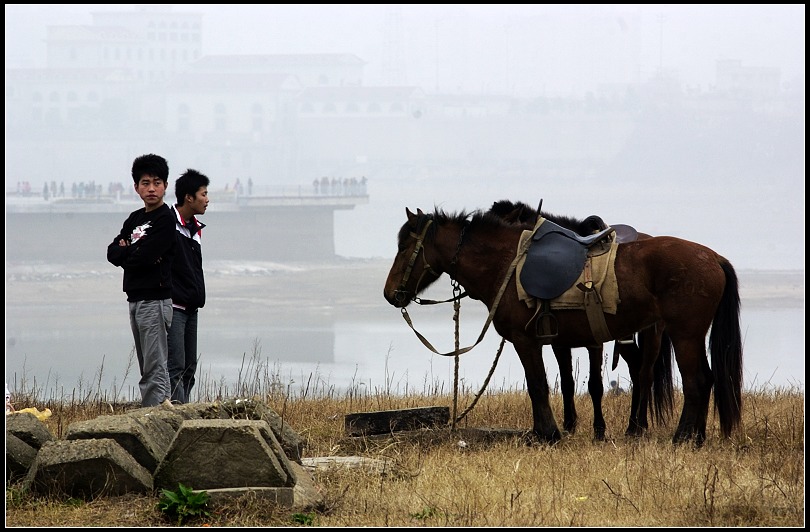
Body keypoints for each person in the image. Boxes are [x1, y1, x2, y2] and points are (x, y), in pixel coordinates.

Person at [106, 154, 175, 407]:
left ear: (165, 186)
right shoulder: (135, 218)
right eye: (145, 183)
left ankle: (152, 416)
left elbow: (145, 257)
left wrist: (129, 251)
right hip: (135, 298)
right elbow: (112, 252)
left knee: (154, 366)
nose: (151, 188)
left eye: (157, 182)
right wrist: (129, 253)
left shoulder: (166, 220)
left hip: (155, 300)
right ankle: (162, 410)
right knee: (147, 362)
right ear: (136, 187)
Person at [167, 169, 210, 403]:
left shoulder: (196, 229)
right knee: (175, 366)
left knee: (189, 368)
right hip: (173, 306)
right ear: (188, 197)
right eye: (203, 194)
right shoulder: (167, 223)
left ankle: (184, 408)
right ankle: (177, 417)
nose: (207, 199)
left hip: (191, 307)